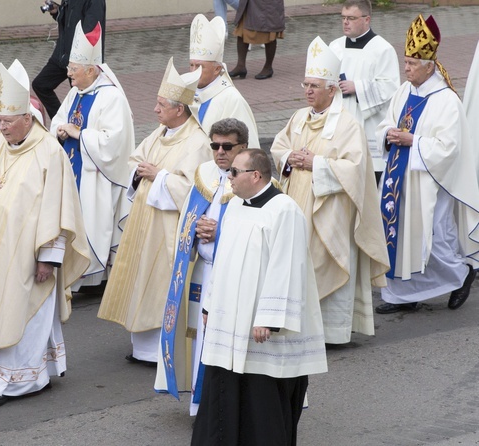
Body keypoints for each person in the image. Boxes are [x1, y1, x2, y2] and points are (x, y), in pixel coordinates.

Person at [0, 60, 90, 407]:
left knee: (24, 313)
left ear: (28, 118)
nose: (2, 129)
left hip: (27, 255)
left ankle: (19, 380)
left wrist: (48, 259)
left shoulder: (48, 153)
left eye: (8, 122)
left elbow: (60, 210)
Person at [191, 148, 327, 445]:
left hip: (261, 328)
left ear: (255, 175)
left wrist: (269, 318)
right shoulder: (236, 206)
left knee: (259, 396)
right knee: (225, 388)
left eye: (234, 172)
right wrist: (210, 306)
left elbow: (286, 266)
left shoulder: (284, 210)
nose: (229, 177)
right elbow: (223, 261)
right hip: (230, 324)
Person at [270, 36, 389, 345]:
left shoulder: (348, 125)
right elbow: (279, 147)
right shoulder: (298, 118)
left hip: (329, 212)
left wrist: (318, 164)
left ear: (332, 90)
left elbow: (355, 169)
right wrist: (289, 159)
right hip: (296, 203)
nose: (308, 91)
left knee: (326, 261)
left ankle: (332, 332)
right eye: (305, 85)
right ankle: (299, 325)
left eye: (314, 86)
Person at [97, 57, 212, 365]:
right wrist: (141, 173)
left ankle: (160, 351)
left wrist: (159, 175)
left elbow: (195, 189)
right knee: (140, 279)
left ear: (180, 109)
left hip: (170, 228)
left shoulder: (198, 142)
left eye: (162, 105)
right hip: (145, 222)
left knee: (160, 283)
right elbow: (135, 162)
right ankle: (142, 347)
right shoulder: (159, 133)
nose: (155, 109)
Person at [375, 15, 479, 314]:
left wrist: (413, 142)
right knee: (398, 236)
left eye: (410, 64)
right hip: (399, 179)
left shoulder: (446, 100)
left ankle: (461, 274)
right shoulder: (404, 91)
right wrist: (388, 134)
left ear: (429, 66)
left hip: (431, 181)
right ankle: (405, 295)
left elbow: (450, 148)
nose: (405, 68)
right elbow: (386, 122)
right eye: (404, 62)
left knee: (433, 238)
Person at [154, 118, 248, 415]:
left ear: (243, 147)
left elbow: (260, 231)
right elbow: (187, 217)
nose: (220, 152)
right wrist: (195, 228)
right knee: (202, 339)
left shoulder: (255, 181)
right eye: (215, 145)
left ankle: (230, 408)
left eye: (227, 146)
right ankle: (201, 404)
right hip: (204, 272)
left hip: (236, 278)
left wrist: (220, 232)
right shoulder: (204, 174)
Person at [50, 22, 135, 289]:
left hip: (96, 175)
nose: (68, 74)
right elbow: (59, 121)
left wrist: (79, 134)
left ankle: (92, 278)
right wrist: (60, 131)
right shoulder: (76, 92)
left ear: (90, 69)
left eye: (73, 69)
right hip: (73, 170)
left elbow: (114, 142)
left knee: (93, 224)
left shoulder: (112, 98)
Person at [329, 0, 400, 182]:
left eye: (351, 18)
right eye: (343, 17)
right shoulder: (334, 47)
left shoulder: (383, 50)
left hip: (368, 126)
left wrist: (357, 87)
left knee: (368, 183)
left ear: (366, 19)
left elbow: (390, 89)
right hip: (340, 123)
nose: (345, 22)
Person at [189, 14, 260, 148]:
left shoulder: (232, 99)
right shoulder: (186, 94)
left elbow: (246, 150)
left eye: (199, 66)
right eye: (191, 65)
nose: (193, 71)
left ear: (217, 69)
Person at [32, 0, 106, 121]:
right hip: (62, 55)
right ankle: (61, 122)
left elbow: (92, 29)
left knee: (80, 96)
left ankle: (77, 129)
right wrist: (57, 11)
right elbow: (68, 21)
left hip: (81, 58)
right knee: (41, 84)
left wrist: (81, 61)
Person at [228, 0, 284, 80]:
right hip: (250, 3)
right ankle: (241, 66)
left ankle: (268, 67)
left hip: (268, 5)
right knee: (242, 30)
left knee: (269, 30)